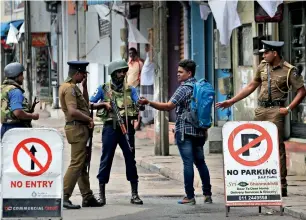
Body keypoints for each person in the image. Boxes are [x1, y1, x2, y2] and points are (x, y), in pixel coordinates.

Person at [216, 40, 306, 197]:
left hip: (276, 111)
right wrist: (231, 101)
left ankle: (281, 184)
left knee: (277, 147)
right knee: (259, 146)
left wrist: (289, 108)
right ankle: (261, 182)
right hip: (261, 110)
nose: (263, 55)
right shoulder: (263, 66)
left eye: (266, 52)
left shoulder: (289, 70)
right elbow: (252, 86)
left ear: (275, 53)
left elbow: (301, 90)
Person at [138, 59, 213, 205]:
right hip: (199, 131)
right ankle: (207, 194)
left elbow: (168, 106)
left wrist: (149, 102)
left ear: (189, 73)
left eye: (180, 72)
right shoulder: (200, 86)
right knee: (201, 163)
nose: (177, 74)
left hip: (184, 131)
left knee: (187, 163)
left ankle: (190, 196)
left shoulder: (184, 88)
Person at [90, 60, 143, 206]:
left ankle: (134, 194)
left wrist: (140, 104)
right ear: (113, 73)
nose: (122, 74)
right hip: (110, 128)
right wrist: (103, 104)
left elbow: (137, 102)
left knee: (130, 159)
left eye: (124, 72)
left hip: (127, 128)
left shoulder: (130, 90)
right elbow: (89, 103)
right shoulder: (103, 89)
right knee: (106, 159)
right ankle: (101, 195)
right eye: (119, 72)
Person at [59, 61, 103, 209]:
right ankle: (64, 195)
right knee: (77, 163)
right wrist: (89, 119)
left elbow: (84, 104)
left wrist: (84, 87)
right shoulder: (69, 88)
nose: (84, 76)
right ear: (77, 73)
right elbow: (73, 111)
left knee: (82, 163)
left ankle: (87, 197)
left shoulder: (74, 88)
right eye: (83, 74)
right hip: (77, 128)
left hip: (79, 128)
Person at [1, 62, 39, 138]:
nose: (23, 77)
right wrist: (33, 116)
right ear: (16, 76)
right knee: (21, 149)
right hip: (16, 129)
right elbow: (18, 113)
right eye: (21, 75)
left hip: (5, 128)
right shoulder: (15, 91)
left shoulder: (3, 89)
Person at [127, 47, 143, 130]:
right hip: (129, 87)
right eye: (129, 53)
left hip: (136, 87)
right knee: (130, 105)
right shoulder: (128, 63)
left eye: (132, 53)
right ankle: (131, 123)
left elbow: (142, 74)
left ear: (135, 54)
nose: (131, 55)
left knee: (137, 105)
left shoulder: (139, 63)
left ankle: (138, 123)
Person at [140, 44, 155, 125]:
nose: (145, 49)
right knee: (144, 102)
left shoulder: (151, 55)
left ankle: (150, 118)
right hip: (145, 83)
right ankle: (145, 120)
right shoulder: (148, 56)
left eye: (146, 47)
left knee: (149, 102)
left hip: (148, 83)